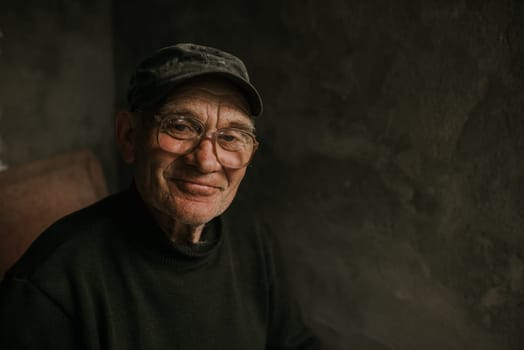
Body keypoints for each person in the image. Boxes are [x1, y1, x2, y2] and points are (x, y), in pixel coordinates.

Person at [0, 43, 319, 349]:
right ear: (128, 137)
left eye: (232, 137)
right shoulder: (49, 286)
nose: (207, 161)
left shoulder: (252, 238)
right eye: (180, 126)